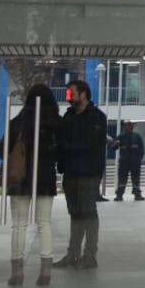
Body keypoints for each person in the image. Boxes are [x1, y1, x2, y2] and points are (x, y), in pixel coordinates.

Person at [5, 82, 62, 287]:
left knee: (18, 225)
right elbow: (62, 151)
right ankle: (45, 272)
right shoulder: (56, 123)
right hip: (45, 177)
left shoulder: (18, 122)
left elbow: (4, 149)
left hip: (19, 178)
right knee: (44, 223)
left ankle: (17, 272)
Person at [55, 79, 107, 269]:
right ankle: (73, 254)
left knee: (88, 212)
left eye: (72, 93)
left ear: (83, 93)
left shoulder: (96, 117)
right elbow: (61, 141)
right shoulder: (68, 116)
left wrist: (66, 148)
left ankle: (90, 255)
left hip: (89, 172)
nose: (69, 97)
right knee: (75, 212)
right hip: (70, 171)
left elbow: (89, 144)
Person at [112, 121, 145, 201]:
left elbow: (142, 150)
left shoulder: (137, 136)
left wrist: (139, 159)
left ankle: (137, 195)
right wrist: (116, 144)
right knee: (122, 179)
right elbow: (114, 148)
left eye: (128, 125)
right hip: (124, 162)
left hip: (135, 162)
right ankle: (119, 195)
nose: (126, 127)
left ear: (131, 127)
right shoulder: (120, 136)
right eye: (124, 126)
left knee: (136, 178)